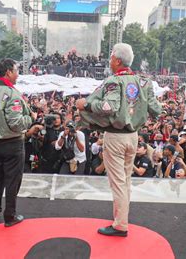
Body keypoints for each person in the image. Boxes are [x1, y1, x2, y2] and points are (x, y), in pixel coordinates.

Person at [76, 43, 162, 237]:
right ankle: (121, 218)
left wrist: (87, 104)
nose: (109, 60)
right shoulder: (144, 82)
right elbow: (157, 109)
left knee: (118, 182)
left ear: (117, 60)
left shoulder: (114, 81)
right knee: (126, 181)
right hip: (133, 137)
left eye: (111, 57)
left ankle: (121, 225)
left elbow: (109, 107)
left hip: (115, 137)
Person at [0, 58, 36, 227]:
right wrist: (30, 119)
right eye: (16, 70)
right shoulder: (12, 94)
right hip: (13, 143)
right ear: (9, 72)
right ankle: (10, 215)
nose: (17, 74)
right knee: (12, 180)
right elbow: (17, 123)